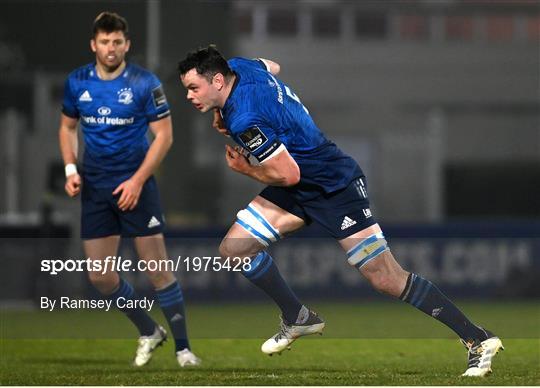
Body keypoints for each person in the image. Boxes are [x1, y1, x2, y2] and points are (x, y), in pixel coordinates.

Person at [177, 45, 503, 377]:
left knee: (386, 279)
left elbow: (288, 174)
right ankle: (298, 317)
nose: (189, 95)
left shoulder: (246, 118)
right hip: (300, 189)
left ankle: (478, 338)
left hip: (333, 187)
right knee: (235, 249)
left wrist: (247, 170)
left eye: (193, 88)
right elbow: (273, 65)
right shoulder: (240, 67)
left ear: (218, 80)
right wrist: (222, 112)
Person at [59, 11, 200, 367]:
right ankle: (149, 330)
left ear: (127, 44)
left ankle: (183, 349)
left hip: (138, 186)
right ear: (94, 44)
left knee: (158, 270)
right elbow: (66, 128)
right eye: (104, 42)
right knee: (100, 277)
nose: (110, 48)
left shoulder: (144, 83)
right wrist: (71, 168)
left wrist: (137, 180)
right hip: (95, 187)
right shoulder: (77, 82)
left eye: (117, 42)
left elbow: (164, 136)